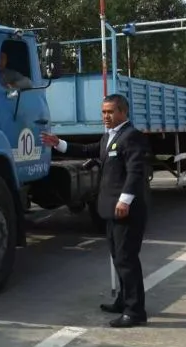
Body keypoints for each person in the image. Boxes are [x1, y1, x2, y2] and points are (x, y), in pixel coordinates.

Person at [40, 94, 151, 328]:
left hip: (126, 210)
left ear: (123, 112)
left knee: (127, 260)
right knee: (118, 258)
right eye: (103, 112)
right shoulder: (109, 136)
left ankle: (135, 311)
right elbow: (88, 149)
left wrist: (125, 200)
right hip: (111, 209)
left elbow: (136, 172)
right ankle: (123, 301)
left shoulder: (132, 136)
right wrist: (59, 143)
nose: (106, 116)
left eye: (110, 112)